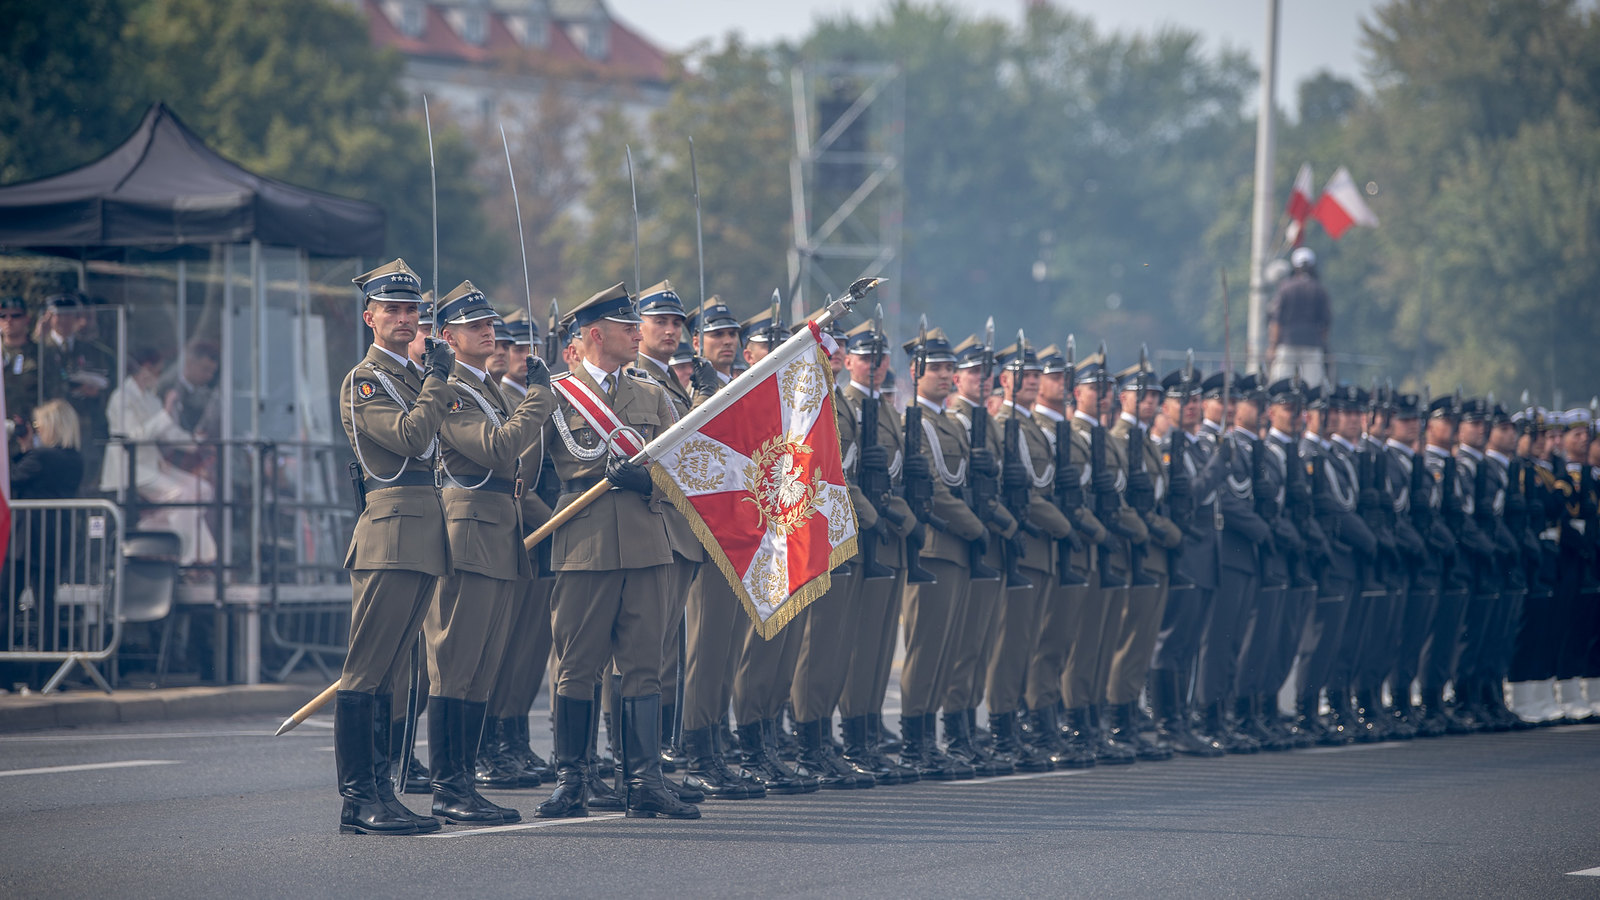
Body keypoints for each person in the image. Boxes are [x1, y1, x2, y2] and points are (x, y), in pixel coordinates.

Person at [534, 283, 699, 821]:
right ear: (595, 335)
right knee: (577, 668)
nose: (639, 335)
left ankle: (644, 780)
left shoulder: (651, 395)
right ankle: (572, 780)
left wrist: (646, 485)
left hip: (648, 546)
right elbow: (528, 476)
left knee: (644, 667)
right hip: (584, 548)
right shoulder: (557, 394)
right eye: (630, 328)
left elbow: (683, 473)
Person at [423, 280, 552, 826]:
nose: (488, 331)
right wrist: (541, 399)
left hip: (498, 532)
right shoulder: (452, 390)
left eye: (489, 323)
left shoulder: (493, 390)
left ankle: (466, 780)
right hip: (469, 533)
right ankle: (449, 787)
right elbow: (498, 448)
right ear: (448, 336)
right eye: (474, 325)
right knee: (456, 665)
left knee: (482, 668)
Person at [335, 257, 454, 836]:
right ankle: (359, 798)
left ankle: (382, 788)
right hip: (389, 530)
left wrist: (433, 380)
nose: (406, 320)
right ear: (370, 317)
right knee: (368, 670)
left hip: (421, 531)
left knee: (394, 674)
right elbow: (411, 436)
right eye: (393, 310)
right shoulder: (366, 380)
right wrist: (438, 380)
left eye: (412, 311)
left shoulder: (409, 377)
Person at [100, 346, 217, 567]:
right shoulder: (121, 398)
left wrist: (194, 442)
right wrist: (166, 410)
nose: (159, 376)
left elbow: (167, 432)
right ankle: (187, 557)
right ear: (145, 369)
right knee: (180, 496)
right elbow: (135, 437)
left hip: (152, 465)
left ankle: (154, 528)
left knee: (203, 490)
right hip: (131, 468)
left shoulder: (151, 400)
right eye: (157, 371)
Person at [36, 291, 113, 494]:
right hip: (50, 423)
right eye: (58, 314)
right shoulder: (40, 348)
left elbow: (105, 380)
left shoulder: (90, 350)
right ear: (50, 317)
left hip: (82, 421)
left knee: (84, 477)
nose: (63, 320)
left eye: (68, 314)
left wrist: (92, 392)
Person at [1267, 247, 1331, 388]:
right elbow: (1325, 324)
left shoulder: (1285, 288)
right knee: (1313, 386)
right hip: (1312, 343)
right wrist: (1322, 344)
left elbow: (1276, 320)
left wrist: (1272, 345)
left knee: (1281, 384)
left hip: (1287, 342)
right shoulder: (1319, 289)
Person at [2, 295, 39, 457]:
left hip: (32, 433)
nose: (9, 320)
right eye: (3, 316)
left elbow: (53, 390)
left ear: (26, 319)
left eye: (15, 315)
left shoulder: (41, 354)